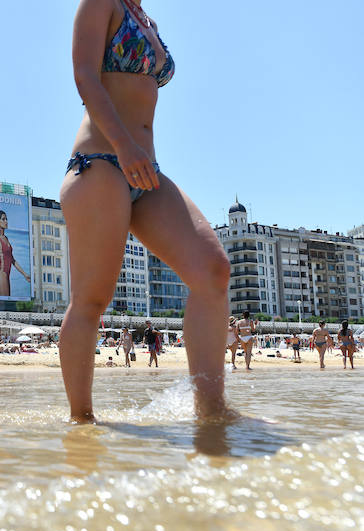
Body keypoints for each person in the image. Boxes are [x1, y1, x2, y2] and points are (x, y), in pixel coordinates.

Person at [57, 0, 231, 422]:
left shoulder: (143, 16)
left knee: (213, 271)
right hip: (102, 161)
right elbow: (85, 76)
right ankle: (83, 424)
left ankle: (212, 414)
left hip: (144, 169)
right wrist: (123, 145)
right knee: (91, 301)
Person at [0, 210, 30, 296]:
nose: (6, 221)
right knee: (5, 302)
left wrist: (25, 275)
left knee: (7, 300)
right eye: (3, 219)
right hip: (1, 274)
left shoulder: (6, 238)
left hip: (6, 275)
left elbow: (12, 260)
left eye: (6, 219)